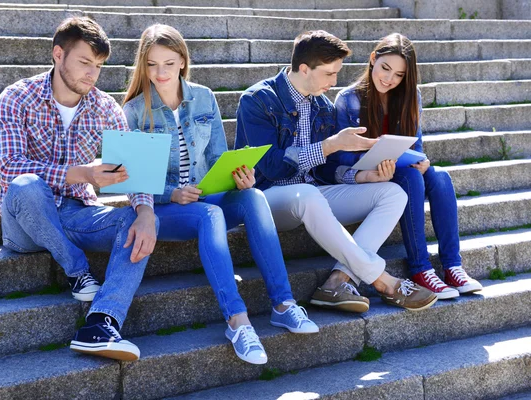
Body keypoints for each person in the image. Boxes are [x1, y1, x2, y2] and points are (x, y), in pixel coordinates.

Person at [123, 24, 319, 365]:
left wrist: (238, 178)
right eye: (152, 64)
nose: (160, 72)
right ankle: (237, 321)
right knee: (209, 214)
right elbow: (134, 182)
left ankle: (284, 304)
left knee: (254, 198)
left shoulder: (203, 97)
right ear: (143, 65)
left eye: (169, 63)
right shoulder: (135, 111)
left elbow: (216, 159)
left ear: (183, 61)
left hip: (206, 196)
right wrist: (173, 193)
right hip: (166, 209)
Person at [235, 30, 437, 312]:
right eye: (329, 74)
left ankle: (337, 281)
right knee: (307, 194)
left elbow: (327, 171)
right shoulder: (257, 100)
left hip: (315, 194)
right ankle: (382, 280)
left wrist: (362, 177)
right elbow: (271, 166)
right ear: (304, 69)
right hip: (269, 198)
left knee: (392, 194)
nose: (335, 82)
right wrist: (329, 145)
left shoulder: (322, 106)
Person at [0, 17, 157, 361]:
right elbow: (11, 169)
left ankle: (101, 322)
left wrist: (145, 212)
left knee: (135, 221)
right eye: (84, 62)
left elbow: (135, 169)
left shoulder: (105, 107)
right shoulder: (17, 97)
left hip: (75, 213)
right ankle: (78, 272)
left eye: (98, 66)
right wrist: (82, 173)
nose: (92, 74)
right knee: (26, 186)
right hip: (24, 222)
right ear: (58, 54)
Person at [333, 32, 482, 299]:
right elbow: (340, 166)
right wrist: (369, 173)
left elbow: (415, 146)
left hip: (400, 172)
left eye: (399, 75)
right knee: (411, 179)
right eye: (385, 68)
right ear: (372, 60)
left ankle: (452, 266)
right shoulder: (348, 100)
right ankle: (421, 269)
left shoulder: (411, 96)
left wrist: (422, 162)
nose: (389, 79)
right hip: (368, 180)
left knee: (440, 177)